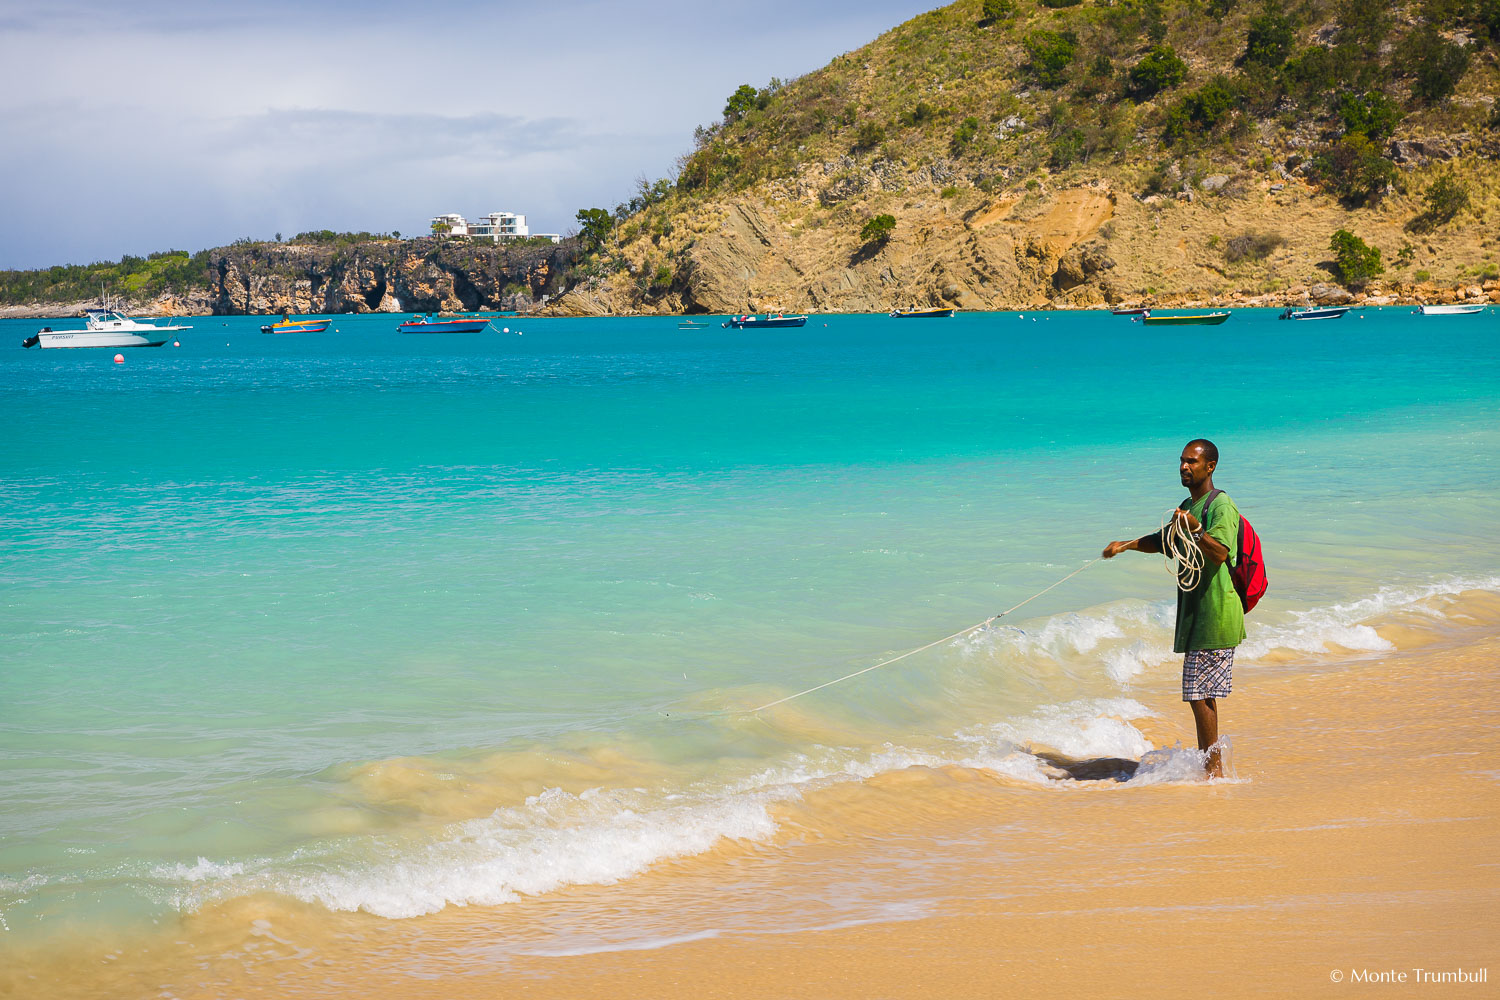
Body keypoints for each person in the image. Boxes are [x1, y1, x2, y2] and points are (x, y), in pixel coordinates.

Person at [1101, 439, 1245, 777]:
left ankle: (1213, 774)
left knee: (1200, 695)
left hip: (1217, 613)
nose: (1184, 467)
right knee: (1200, 694)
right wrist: (1126, 545)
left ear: (1210, 467)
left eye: (1192, 462)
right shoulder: (1187, 506)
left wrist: (1197, 530)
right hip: (1199, 616)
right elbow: (1165, 541)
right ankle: (1212, 769)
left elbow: (1221, 552)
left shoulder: (1221, 506)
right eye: (1182, 461)